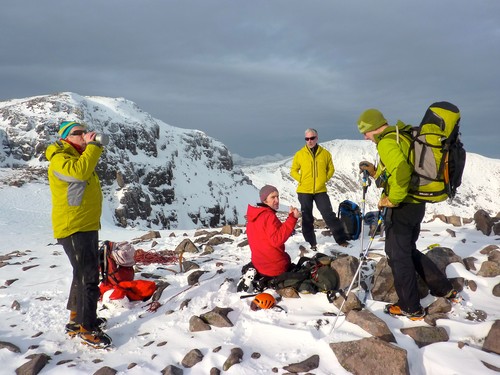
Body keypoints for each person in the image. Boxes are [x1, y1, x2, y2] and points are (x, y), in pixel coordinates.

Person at [356, 109, 460, 321]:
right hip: (416, 204)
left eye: (365, 132)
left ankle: (410, 307)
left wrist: (392, 199)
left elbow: (402, 171)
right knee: (409, 250)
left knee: (398, 256)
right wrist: (376, 172)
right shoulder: (401, 134)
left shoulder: (386, 142)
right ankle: (444, 289)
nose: (365, 137)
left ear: (373, 127)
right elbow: (400, 171)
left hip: (402, 208)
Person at [46, 121, 111, 348]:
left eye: (84, 131)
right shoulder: (60, 159)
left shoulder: (78, 156)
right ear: (65, 138)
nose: (84, 135)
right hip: (73, 227)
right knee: (89, 278)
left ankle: (77, 320)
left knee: (81, 274)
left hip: (86, 225)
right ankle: (88, 329)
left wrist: (90, 149)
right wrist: (94, 147)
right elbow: (80, 173)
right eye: (77, 133)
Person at [290, 128, 350, 250]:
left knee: (328, 215)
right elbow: (293, 171)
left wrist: (324, 179)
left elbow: (331, 169)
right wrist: (301, 179)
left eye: (312, 138)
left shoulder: (325, 153)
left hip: (320, 190)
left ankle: (341, 240)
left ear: (317, 138)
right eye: (307, 139)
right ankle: (311, 244)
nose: (310, 141)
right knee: (307, 218)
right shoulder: (299, 154)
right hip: (304, 191)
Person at [246, 185, 301, 277]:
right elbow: (277, 240)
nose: (277, 200)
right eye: (273, 197)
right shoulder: (269, 216)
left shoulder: (253, 216)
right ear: (264, 200)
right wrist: (292, 218)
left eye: (277, 196)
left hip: (259, 265)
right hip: (274, 269)